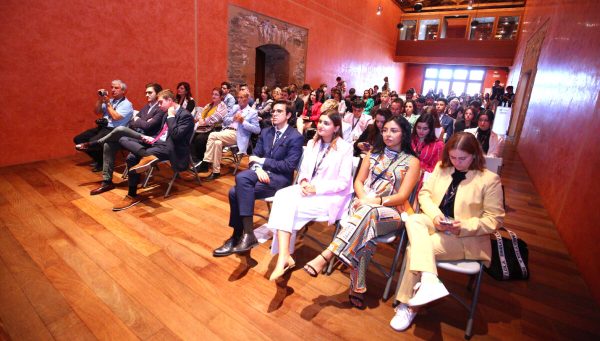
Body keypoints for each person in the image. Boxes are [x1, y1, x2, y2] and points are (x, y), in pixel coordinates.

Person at [389, 132, 504, 331]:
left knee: (414, 249)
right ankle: (429, 280)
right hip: (438, 222)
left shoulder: (489, 180)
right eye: (452, 157)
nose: (457, 163)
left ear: (475, 155)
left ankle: (410, 305)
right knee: (415, 219)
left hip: (465, 236)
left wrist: (464, 225)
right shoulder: (442, 168)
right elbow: (425, 194)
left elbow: (495, 220)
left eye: (462, 158)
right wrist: (435, 217)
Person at [303, 116, 420, 309]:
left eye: (394, 131)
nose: (388, 134)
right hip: (364, 207)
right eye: (385, 130)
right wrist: (363, 197)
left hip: (392, 212)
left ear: (404, 134)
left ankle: (327, 255)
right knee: (367, 233)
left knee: (369, 213)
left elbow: (403, 196)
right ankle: (357, 287)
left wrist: (372, 201)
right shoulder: (373, 153)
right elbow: (358, 181)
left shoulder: (412, 162)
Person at [268, 109, 354, 281]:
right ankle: (285, 255)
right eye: (320, 121)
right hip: (309, 189)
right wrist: (305, 181)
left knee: (286, 208)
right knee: (281, 197)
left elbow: (343, 183)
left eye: (326, 123)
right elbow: (306, 170)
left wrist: (317, 188)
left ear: (336, 128)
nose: (320, 125)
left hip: (330, 195)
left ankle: (284, 257)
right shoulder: (313, 143)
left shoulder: (345, 148)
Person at [213, 100, 304, 257]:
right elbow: (253, 156)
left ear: (288, 115)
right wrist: (257, 168)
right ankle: (244, 235)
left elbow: (289, 166)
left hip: (279, 180)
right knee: (237, 188)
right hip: (259, 174)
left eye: (279, 111)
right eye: (273, 111)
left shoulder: (295, 137)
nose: (274, 114)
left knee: (238, 186)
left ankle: (241, 235)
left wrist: (263, 163)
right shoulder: (266, 132)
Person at [112, 89, 194, 211]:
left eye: (161, 103)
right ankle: (146, 156)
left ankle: (132, 195)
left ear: (170, 101)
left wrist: (171, 116)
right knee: (123, 139)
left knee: (132, 157)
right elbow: (162, 132)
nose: (159, 106)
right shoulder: (166, 113)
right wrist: (151, 138)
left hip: (172, 148)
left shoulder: (185, 116)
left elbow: (176, 136)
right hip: (157, 143)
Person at [76, 83, 165, 195]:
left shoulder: (160, 109)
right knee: (109, 145)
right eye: (146, 92)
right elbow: (133, 122)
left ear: (158, 94)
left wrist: (139, 120)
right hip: (135, 136)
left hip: (147, 139)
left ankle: (94, 143)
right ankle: (107, 181)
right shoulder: (146, 107)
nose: (146, 95)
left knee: (121, 129)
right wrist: (141, 121)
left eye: (150, 92)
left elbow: (148, 126)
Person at [73, 79, 134, 172]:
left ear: (123, 91)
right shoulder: (110, 100)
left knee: (92, 142)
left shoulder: (127, 104)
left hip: (114, 130)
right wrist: (100, 99)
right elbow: (97, 111)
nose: (113, 90)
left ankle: (102, 162)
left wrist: (108, 103)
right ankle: (100, 160)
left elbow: (115, 117)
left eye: (116, 88)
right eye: (112, 87)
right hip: (103, 127)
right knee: (78, 139)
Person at [201, 89, 260, 180]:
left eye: (241, 97)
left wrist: (243, 122)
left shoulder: (252, 112)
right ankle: (216, 172)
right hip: (227, 131)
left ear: (247, 99)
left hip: (239, 134)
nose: (239, 99)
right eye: (238, 97)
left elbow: (257, 130)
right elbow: (225, 119)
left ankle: (205, 163)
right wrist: (233, 118)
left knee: (212, 135)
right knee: (217, 143)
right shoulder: (235, 107)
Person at [191, 87, 228, 167]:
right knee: (190, 136)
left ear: (221, 96)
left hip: (215, 129)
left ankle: (203, 161)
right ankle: (195, 160)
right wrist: (201, 119)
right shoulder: (208, 105)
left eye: (216, 95)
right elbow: (198, 115)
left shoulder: (223, 107)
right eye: (213, 94)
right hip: (202, 128)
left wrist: (203, 121)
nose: (214, 96)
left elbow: (215, 118)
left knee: (199, 139)